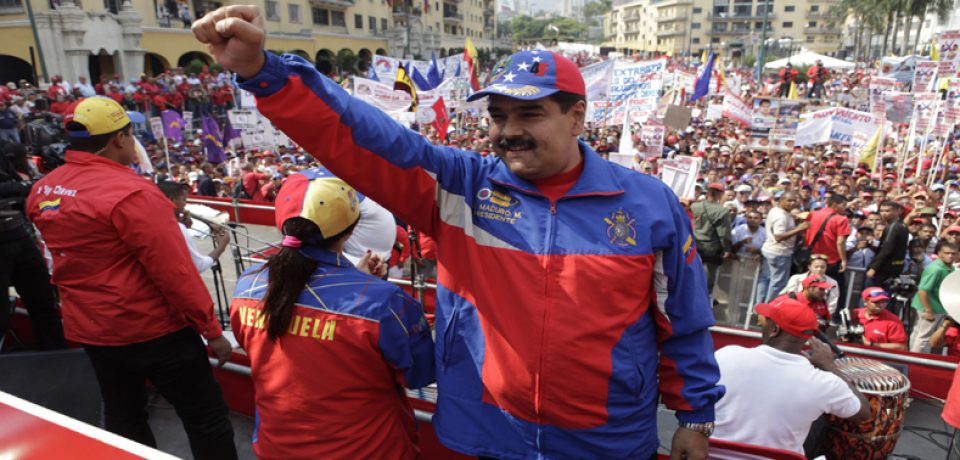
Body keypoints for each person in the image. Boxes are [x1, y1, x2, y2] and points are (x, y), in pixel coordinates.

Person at [194, 9, 725, 458]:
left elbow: (683, 318)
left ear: (577, 116)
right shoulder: (457, 188)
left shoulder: (649, 204)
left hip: (607, 439)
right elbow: (359, 135)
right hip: (480, 434)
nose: (509, 131)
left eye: (530, 113)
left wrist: (695, 415)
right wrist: (266, 74)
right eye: (498, 115)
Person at [26, 98, 237, 458]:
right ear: (120, 139)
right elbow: (175, 273)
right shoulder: (133, 193)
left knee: (124, 415)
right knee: (206, 417)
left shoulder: (44, 188)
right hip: (153, 329)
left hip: (92, 328)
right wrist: (212, 330)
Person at [230, 173, 434, 458]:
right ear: (351, 230)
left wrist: (359, 284)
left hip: (275, 447)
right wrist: (367, 289)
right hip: (368, 451)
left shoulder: (246, 285)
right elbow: (420, 374)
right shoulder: (385, 302)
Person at [713, 296, 870, 456]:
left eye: (766, 320)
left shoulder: (727, 355)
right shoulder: (823, 383)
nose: (761, 324)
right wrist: (830, 367)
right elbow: (864, 412)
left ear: (774, 330)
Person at [0, 142, 67, 350]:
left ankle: (58, 358)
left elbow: (16, 181)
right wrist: (31, 186)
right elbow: (16, 186)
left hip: (17, 233)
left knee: (43, 302)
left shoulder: (4, 150)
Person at [157, 181, 230, 273]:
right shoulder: (177, 228)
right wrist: (222, 246)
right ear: (172, 200)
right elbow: (199, 266)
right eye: (184, 200)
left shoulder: (157, 221)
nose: (185, 205)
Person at [758, 192, 809, 303]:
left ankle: (759, 307)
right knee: (778, 284)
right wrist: (799, 228)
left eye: (794, 201)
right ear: (781, 201)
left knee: (766, 280)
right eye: (789, 200)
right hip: (779, 253)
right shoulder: (781, 216)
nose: (792, 203)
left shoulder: (778, 211)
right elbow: (778, 236)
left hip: (771, 250)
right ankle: (768, 310)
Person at [804, 193, 850, 313]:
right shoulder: (841, 219)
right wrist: (844, 260)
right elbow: (840, 242)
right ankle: (833, 316)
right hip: (831, 260)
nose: (845, 208)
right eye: (843, 205)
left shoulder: (812, 214)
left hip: (812, 258)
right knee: (835, 289)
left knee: (809, 287)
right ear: (835, 204)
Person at [910, 242, 958, 353]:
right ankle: (917, 362)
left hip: (935, 307)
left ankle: (912, 357)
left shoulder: (947, 267)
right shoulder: (936, 269)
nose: (950, 256)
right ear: (940, 254)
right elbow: (922, 290)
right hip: (930, 308)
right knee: (924, 338)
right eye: (947, 253)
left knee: (919, 334)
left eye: (953, 253)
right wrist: (928, 310)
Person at [692, 183, 733, 296]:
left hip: (694, 245)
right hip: (711, 249)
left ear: (708, 192)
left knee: (690, 276)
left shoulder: (695, 206)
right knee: (706, 283)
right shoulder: (722, 211)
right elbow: (723, 234)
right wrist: (727, 249)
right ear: (720, 194)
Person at [866, 201, 908, 288]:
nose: (884, 214)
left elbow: (887, 249)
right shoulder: (901, 225)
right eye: (882, 211)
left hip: (885, 270)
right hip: (894, 268)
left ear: (897, 211)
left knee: (874, 295)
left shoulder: (894, 227)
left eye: (888, 211)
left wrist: (874, 268)